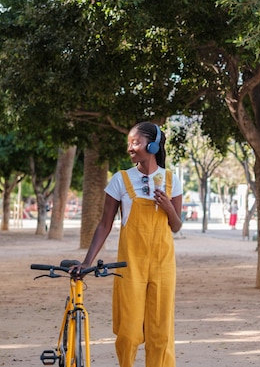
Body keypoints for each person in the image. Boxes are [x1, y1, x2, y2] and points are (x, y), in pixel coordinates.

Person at [75, 122, 183, 367]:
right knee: (129, 331)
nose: (130, 148)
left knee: (160, 332)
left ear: (153, 145)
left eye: (136, 143)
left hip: (163, 266)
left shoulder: (171, 180)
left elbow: (176, 226)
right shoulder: (120, 180)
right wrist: (86, 262)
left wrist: (168, 208)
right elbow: (104, 224)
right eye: (129, 143)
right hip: (130, 265)